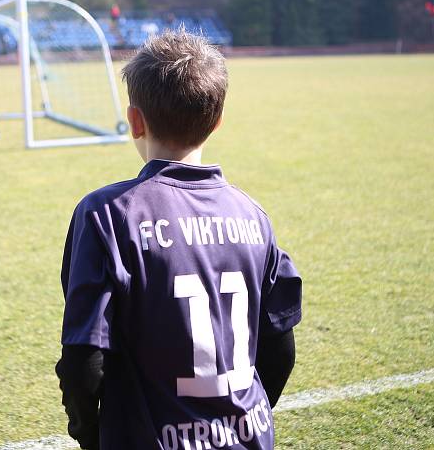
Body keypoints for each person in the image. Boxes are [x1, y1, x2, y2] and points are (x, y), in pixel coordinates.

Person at [55, 30, 302, 450]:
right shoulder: (253, 217)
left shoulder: (107, 216)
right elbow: (280, 348)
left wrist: (90, 435)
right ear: (217, 120)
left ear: (135, 120)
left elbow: (85, 360)